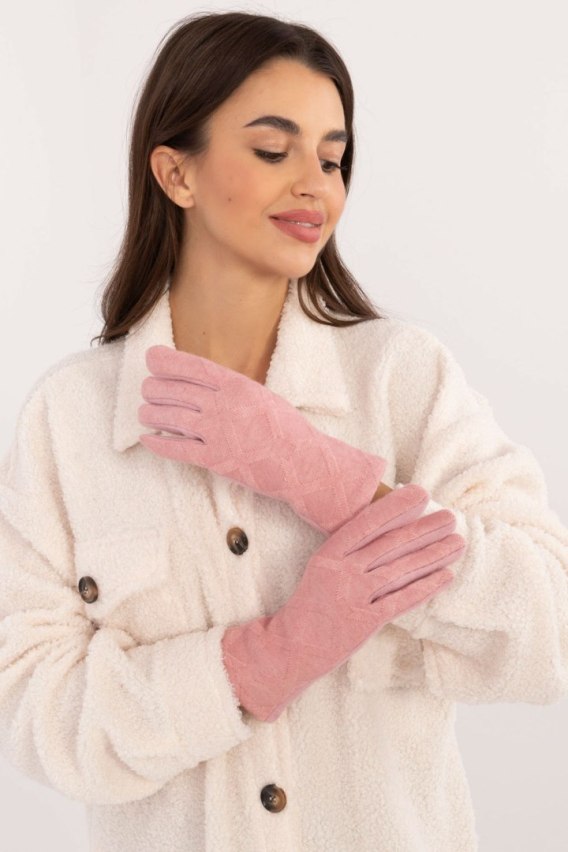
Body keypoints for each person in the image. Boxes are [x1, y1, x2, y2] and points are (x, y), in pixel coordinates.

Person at [0, 10, 567, 852]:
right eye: (274, 150)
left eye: (332, 159)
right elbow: (32, 710)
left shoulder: (402, 378)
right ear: (176, 173)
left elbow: (548, 625)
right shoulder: (69, 418)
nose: (316, 186)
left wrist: (331, 480)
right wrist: (268, 658)